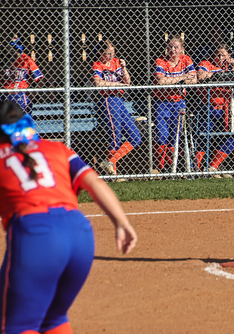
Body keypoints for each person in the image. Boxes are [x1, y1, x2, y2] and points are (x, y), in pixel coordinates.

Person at [0, 100, 137, 334]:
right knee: (53, 319)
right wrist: (121, 222)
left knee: (17, 325)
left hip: (35, 234)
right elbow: (94, 182)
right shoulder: (57, 148)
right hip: (79, 232)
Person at [92, 39, 142, 176]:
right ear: (101, 53)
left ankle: (109, 162)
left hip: (119, 100)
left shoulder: (116, 62)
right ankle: (112, 173)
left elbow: (127, 82)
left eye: (112, 53)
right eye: (108, 53)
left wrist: (124, 68)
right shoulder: (97, 65)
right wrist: (118, 85)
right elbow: (98, 83)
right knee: (115, 138)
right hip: (108, 99)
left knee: (135, 137)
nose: (111, 56)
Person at [196, 44, 234, 177]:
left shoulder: (231, 66)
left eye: (223, 55)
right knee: (203, 138)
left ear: (228, 56)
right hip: (209, 108)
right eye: (218, 54)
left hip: (227, 110)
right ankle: (196, 169)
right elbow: (201, 75)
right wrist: (219, 74)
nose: (220, 57)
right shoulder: (206, 63)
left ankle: (213, 167)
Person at [152, 35, 197, 172]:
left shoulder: (186, 59)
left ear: (181, 49)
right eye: (170, 47)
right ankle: (159, 167)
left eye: (176, 47)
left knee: (175, 136)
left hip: (179, 102)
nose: (172, 50)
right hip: (162, 102)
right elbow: (161, 81)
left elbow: (194, 80)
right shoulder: (160, 61)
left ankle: (171, 167)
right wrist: (182, 78)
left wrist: (172, 81)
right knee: (162, 136)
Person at [2, 37, 43, 112]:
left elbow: (40, 78)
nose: (12, 52)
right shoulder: (4, 59)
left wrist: (33, 94)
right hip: (5, 93)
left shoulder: (27, 60)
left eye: (14, 50)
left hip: (20, 93)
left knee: (22, 115)